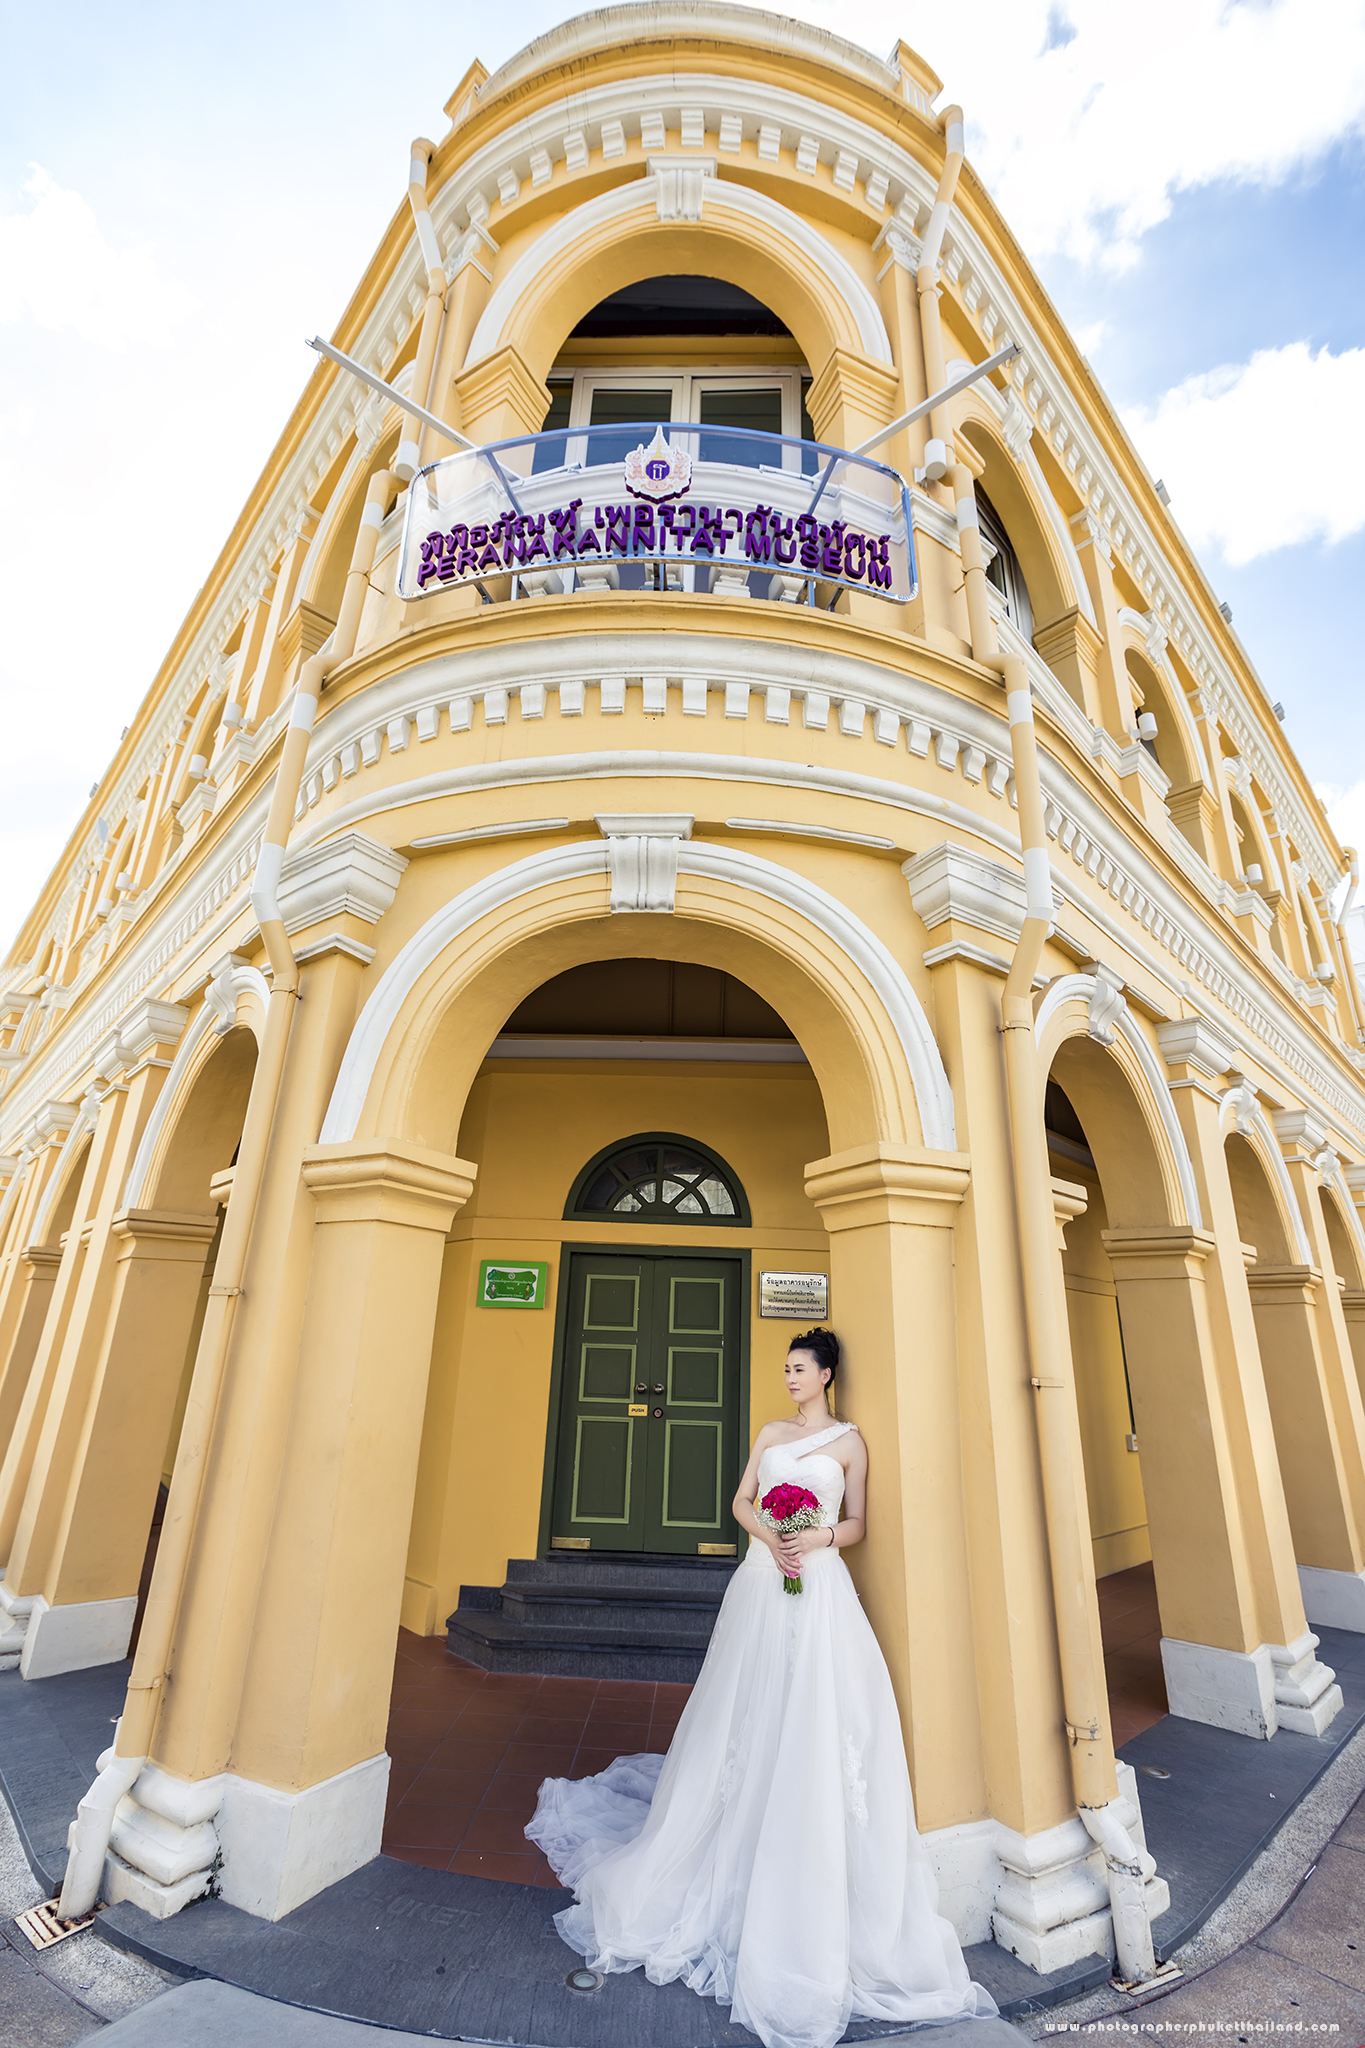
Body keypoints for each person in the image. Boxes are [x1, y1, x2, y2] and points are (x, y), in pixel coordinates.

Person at [526, 1328, 999, 2048]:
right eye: (785, 1369)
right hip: (758, 1579)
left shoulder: (849, 1443)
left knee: (815, 1707)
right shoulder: (771, 1432)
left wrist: (812, 1539)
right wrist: (766, 1531)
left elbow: (858, 1523)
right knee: (743, 1707)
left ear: (827, 1373)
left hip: (817, 1584)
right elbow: (741, 1500)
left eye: (800, 1369)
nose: (790, 1379)